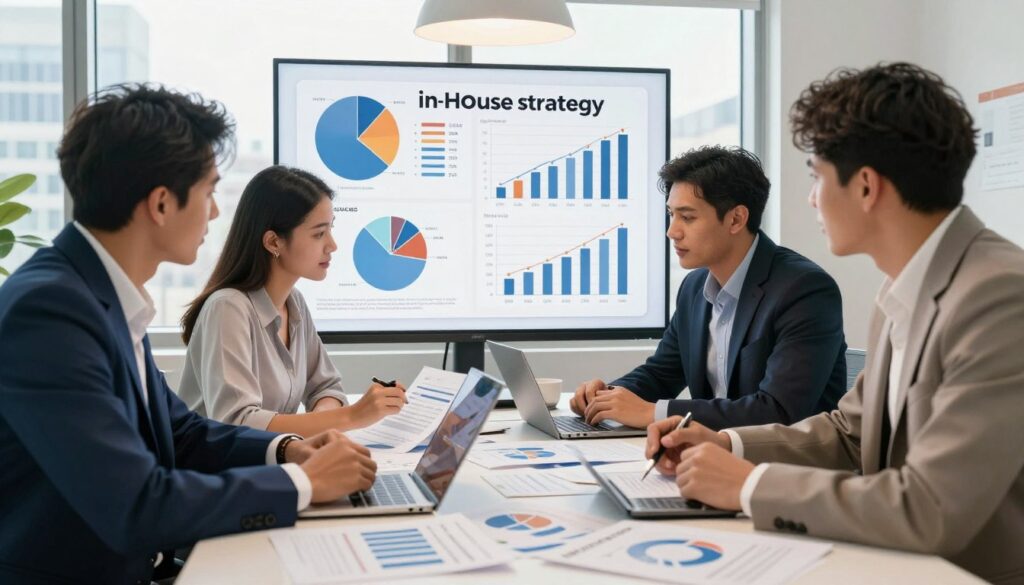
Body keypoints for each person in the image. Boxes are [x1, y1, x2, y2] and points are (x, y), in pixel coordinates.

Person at [646, 63, 1024, 583]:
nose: (811, 198)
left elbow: (930, 507)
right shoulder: (905, 286)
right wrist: (726, 445)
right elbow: (851, 432)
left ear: (866, 187)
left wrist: (748, 485)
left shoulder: (1000, 295)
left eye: (817, 178)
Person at [0, 84, 376, 584]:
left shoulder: (101, 294)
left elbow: (183, 432)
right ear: (160, 204)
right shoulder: (50, 312)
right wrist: (302, 483)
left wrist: (285, 450)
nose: (216, 212)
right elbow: (136, 503)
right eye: (209, 191)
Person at [571, 146, 847, 430]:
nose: (672, 231)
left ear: (736, 219)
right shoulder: (694, 287)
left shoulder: (804, 290)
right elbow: (661, 374)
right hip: (712, 454)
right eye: (671, 215)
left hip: (784, 465)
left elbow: (778, 410)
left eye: (687, 217)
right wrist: (606, 397)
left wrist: (656, 413)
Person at [178, 165, 407, 436]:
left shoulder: (293, 302)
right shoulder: (227, 308)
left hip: (270, 464)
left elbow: (325, 387)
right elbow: (237, 423)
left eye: (330, 230)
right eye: (319, 233)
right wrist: (351, 417)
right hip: (217, 473)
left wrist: (326, 421)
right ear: (274, 242)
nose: (332, 245)